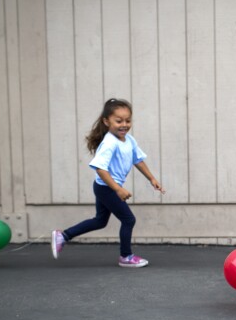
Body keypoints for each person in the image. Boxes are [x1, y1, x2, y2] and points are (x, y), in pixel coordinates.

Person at [51, 98, 165, 268]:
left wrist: (152, 178)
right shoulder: (110, 143)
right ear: (106, 121)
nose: (124, 124)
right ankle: (126, 256)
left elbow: (138, 160)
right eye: (118, 121)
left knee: (100, 221)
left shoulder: (129, 140)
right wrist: (117, 189)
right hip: (107, 188)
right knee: (128, 220)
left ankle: (63, 236)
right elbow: (100, 168)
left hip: (104, 187)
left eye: (127, 120)